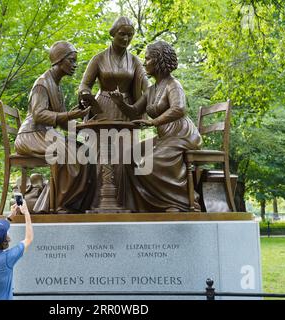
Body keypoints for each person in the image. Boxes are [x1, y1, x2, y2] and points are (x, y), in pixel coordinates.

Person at [110, 40, 202, 212]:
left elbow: (179, 108)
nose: (144, 63)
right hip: (165, 137)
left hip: (181, 135)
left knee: (151, 162)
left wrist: (153, 122)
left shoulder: (173, 85)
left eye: (148, 59)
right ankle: (140, 205)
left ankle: (180, 202)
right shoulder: (151, 90)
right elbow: (134, 111)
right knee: (128, 156)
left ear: (159, 60)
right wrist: (120, 103)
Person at [14, 41, 96, 213]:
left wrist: (85, 124)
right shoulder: (42, 83)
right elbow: (39, 114)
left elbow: (63, 122)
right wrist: (68, 116)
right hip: (31, 135)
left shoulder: (56, 86)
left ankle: (74, 202)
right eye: (71, 60)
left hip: (46, 134)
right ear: (59, 60)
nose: (75, 65)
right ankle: (58, 203)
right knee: (66, 152)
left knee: (85, 151)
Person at [78, 17, 148, 209]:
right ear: (113, 34)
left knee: (125, 156)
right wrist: (85, 93)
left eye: (130, 35)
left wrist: (136, 109)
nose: (126, 39)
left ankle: (124, 201)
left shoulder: (135, 62)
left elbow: (147, 89)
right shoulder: (98, 58)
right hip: (102, 109)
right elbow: (85, 84)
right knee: (101, 154)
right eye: (122, 34)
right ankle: (99, 200)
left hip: (125, 110)